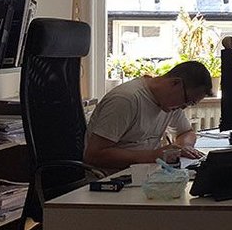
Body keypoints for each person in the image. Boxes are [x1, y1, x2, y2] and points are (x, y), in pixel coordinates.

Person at [84, 60, 212, 173]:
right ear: (175, 83)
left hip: (143, 175)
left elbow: (187, 133)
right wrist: (153, 155)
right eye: (187, 101)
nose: (184, 107)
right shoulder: (126, 100)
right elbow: (94, 155)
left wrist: (182, 147)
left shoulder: (170, 104)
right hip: (108, 181)